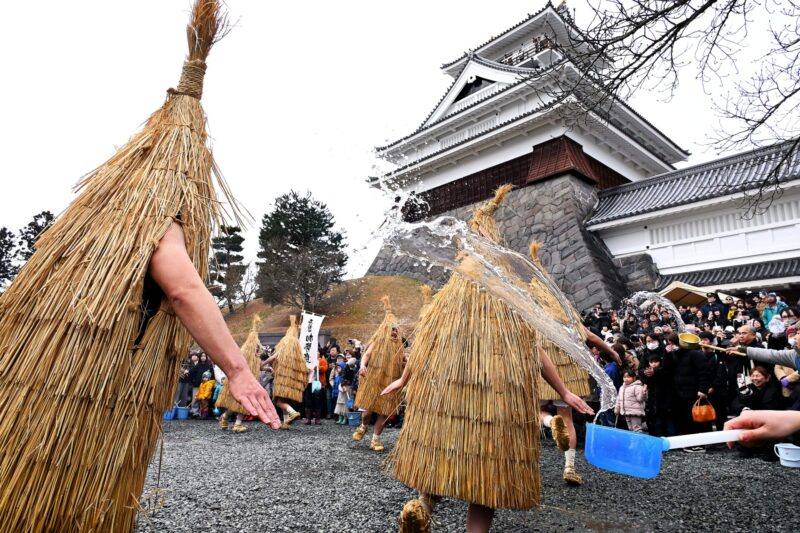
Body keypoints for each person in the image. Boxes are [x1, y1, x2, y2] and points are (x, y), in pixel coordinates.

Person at [352, 297, 406, 452]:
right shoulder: (377, 343)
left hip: (391, 383)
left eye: (396, 330)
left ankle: (375, 440)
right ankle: (363, 426)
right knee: (368, 410)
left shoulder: (400, 347)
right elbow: (367, 355)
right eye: (391, 329)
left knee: (384, 412)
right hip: (374, 381)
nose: (394, 332)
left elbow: (404, 361)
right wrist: (362, 366)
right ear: (385, 330)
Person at [263, 316, 307, 429]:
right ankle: (286, 422)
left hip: (282, 379)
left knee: (278, 401)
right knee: (284, 400)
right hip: (291, 381)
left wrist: (262, 364)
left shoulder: (285, 344)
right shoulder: (297, 351)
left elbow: (273, 357)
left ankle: (293, 413)